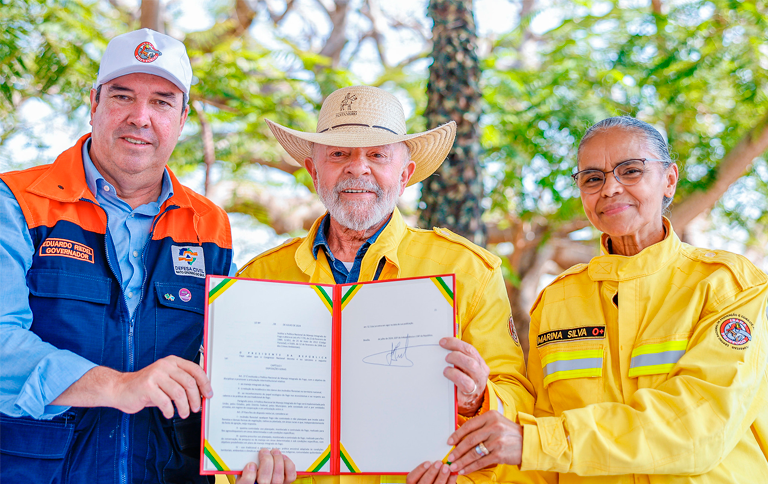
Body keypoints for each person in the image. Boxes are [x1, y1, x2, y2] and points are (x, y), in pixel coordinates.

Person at [0, 29, 294, 484]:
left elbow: (234, 358)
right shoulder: (17, 202)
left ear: (182, 118)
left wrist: (258, 445)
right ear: (93, 104)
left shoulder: (207, 224)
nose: (140, 117)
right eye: (122, 96)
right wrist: (117, 386)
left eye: (161, 101)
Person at [237, 85, 544, 484]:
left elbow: (520, 405)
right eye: (338, 154)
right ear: (314, 171)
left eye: (377, 154)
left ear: (405, 175)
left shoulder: (468, 270)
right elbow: (236, 418)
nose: (357, 168)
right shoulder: (257, 278)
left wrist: (477, 396)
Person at [443, 116, 768, 482]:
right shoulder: (557, 301)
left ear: (669, 180)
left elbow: (701, 426)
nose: (610, 189)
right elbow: (534, 456)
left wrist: (538, 442)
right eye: (593, 178)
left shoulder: (727, 286)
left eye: (631, 171)